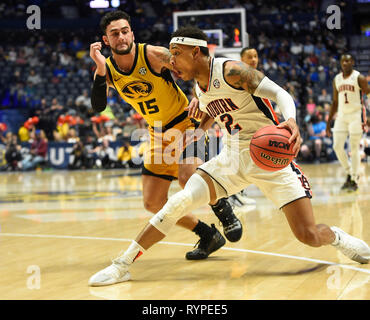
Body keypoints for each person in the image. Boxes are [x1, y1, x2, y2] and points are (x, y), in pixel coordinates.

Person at [89, 27, 370, 286]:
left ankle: (338, 237)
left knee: (308, 236)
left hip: (271, 160)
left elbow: (280, 92)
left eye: (176, 54)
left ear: (195, 52)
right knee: (178, 201)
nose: (171, 61)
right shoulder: (199, 87)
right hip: (233, 159)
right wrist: (198, 132)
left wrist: (292, 120)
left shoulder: (232, 70)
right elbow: (215, 109)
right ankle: (122, 264)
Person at [89, 11, 242, 260]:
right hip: (157, 133)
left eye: (125, 30)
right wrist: (99, 67)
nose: (121, 37)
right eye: (114, 33)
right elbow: (97, 105)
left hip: (186, 123)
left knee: (187, 178)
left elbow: (197, 65)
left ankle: (222, 208)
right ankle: (207, 235)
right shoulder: (106, 68)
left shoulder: (152, 54)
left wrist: (199, 94)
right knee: (152, 202)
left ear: (132, 32)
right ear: (106, 40)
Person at [326, 54, 370, 191]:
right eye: (343, 61)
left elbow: (369, 94)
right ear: (340, 63)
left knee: (354, 147)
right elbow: (334, 102)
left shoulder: (359, 78)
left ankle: (354, 178)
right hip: (342, 116)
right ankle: (350, 172)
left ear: (353, 62)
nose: (345, 63)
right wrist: (328, 122)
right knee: (337, 146)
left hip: (356, 115)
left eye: (348, 60)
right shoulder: (337, 79)